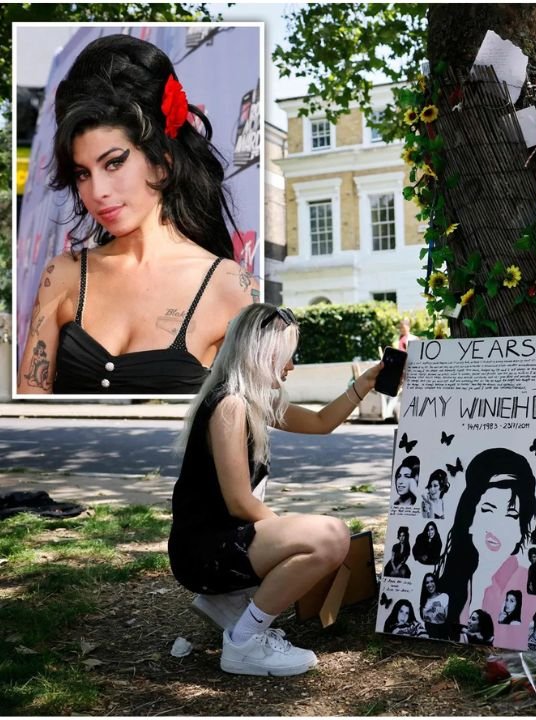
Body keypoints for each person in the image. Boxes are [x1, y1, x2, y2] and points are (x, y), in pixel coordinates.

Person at [19, 34, 257, 395]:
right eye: (82, 173)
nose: (96, 191)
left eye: (114, 163)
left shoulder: (231, 288)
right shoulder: (63, 275)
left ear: (162, 164)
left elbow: (243, 431)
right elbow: (29, 417)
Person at [168, 303, 386, 677]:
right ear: (264, 353)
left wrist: (363, 384)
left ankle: (228, 602)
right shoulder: (231, 405)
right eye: (288, 356)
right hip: (202, 552)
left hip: (214, 544)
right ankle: (244, 643)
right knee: (329, 537)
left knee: (323, 537)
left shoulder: (248, 399)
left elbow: (320, 422)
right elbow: (238, 501)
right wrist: (294, 539)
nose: (291, 366)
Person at [435, 447, 536, 642]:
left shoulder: (529, 586)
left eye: (511, 515)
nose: (497, 525)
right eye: (488, 510)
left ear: (521, 530)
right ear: (470, 519)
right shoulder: (451, 576)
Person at [419, 572, 448, 637]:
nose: (430, 584)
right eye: (427, 582)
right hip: (427, 635)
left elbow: (447, 619)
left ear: (435, 582)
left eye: (432, 581)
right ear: (424, 585)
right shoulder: (424, 600)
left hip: (441, 635)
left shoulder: (444, 596)